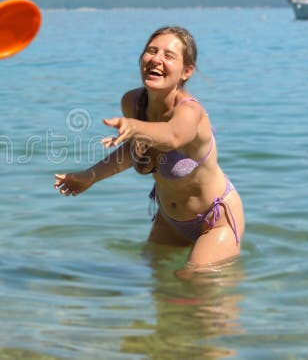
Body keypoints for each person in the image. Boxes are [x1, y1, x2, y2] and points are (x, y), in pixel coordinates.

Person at [53, 26, 244, 270]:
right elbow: (135, 151)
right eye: (151, 51)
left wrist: (134, 126)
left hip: (215, 219)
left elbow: (172, 136)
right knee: (160, 287)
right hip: (169, 218)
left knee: (195, 282)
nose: (156, 59)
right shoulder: (132, 102)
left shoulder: (190, 112)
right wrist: (89, 176)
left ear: (187, 71)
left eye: (168, 55)